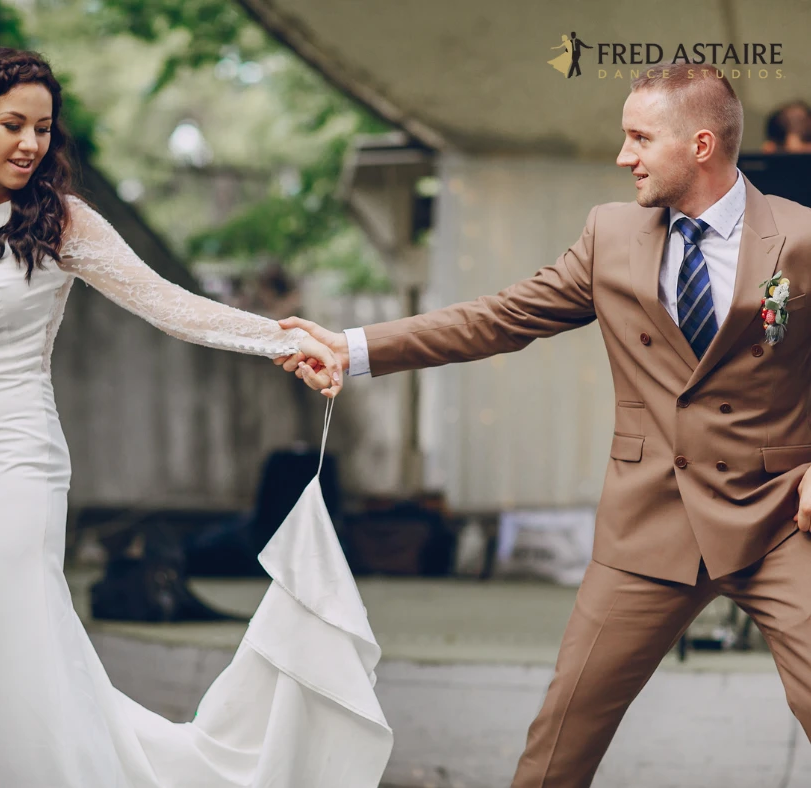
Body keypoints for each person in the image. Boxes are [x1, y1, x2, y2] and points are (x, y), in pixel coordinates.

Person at [0, 46, 394, 787]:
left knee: (26, 649)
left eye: (43, 128)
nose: (30, 143)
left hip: (17, 467)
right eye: (12, 124)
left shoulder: (61, 222)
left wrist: (282, 339)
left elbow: (171, 307)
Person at [278, 62, 811, 786]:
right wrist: (353, 348)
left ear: (701, 145)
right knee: (558, 744)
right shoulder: (610, 234)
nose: (623, 156)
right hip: (650, 518)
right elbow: (498, 318)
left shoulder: (802, 238)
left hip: (778, 516)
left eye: (638, 138)